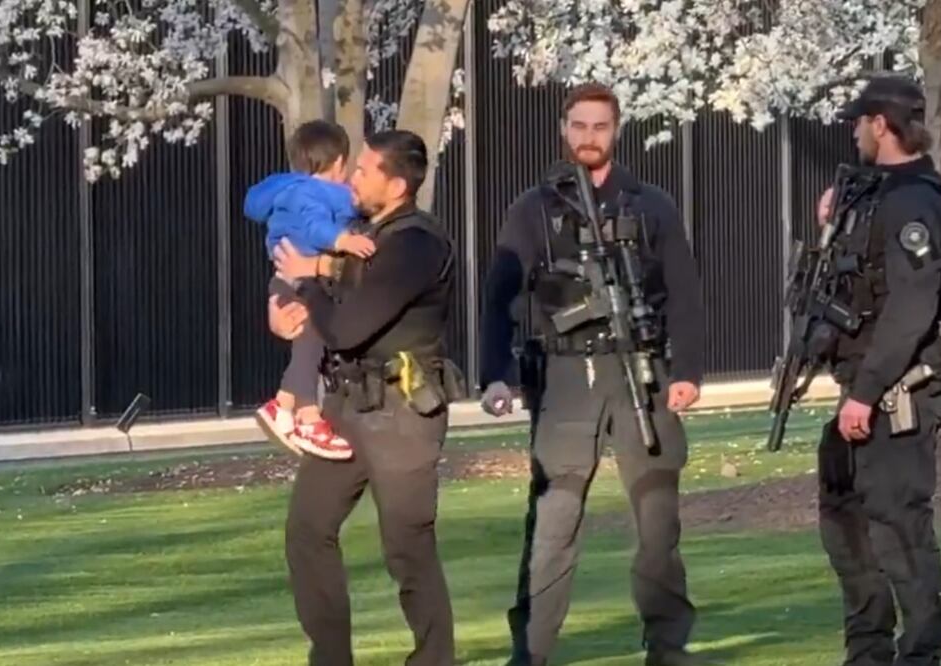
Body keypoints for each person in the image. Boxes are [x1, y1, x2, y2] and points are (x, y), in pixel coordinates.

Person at [478, 82, 706, 666]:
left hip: (641, 372)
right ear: (563, 129)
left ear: (617, 130)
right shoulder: (534, 207)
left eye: (599, 127)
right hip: (563, 374)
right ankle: (530, 652)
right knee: (554, 519)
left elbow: (683, 292)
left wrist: (688, 371)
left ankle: (668, 649)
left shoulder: (650, 203)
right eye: (578, 126)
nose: (588, 138)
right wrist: (496, 373)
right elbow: (500, 294)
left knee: (658, 521)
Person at [269, 129, 462, 666]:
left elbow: (351, 326)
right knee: (308, 530)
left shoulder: (417, 243)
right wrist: (289, 303)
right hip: (348, 408)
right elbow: (319, 281)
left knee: (407, 547)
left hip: (402, 413)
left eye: (364, 171)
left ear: (397, 184)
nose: (351, 177)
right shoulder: (355, 231)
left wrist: (309, 284)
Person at [815, 74, 941, 666]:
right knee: (846, 522)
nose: (853, 132)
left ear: (881, 124)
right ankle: (868, 651)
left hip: (897, 392)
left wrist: (866, 393)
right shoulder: (879, 193)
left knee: (901, 529)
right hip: (862, 389)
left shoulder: (914, 200)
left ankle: (922, 654)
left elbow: (912, 306)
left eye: (858, 122)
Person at [245, 119, 375, 460]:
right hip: (305, 277)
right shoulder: (319, 194)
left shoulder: (284, 189)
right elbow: (316, 226)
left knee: (308, 344)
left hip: (284, 277)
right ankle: (296, 411)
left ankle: (300, 414)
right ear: (338, 163)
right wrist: (344, 239)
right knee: (312, 340)